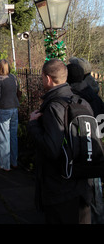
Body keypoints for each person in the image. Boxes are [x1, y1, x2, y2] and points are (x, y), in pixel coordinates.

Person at [28, 59, 93, 224]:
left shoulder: (53, 107)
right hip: (83, 184)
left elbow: (51, 148)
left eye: (42, 77)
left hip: (59, 189)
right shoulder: (82, 102)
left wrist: (34, 124)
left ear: (48, 79)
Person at [67, 62, 104, 224]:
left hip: (83, 151)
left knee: (88, 195)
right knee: (94, 193)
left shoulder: (74, 98)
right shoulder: (94, 96)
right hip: (95, 147)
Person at [0, 59, 20, 172]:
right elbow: (18, 91)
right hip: (14, 108)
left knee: (4, 137)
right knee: (13, 136)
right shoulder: (13, 77)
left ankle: (4, 164)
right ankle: (14, 162)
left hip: (4, 109)